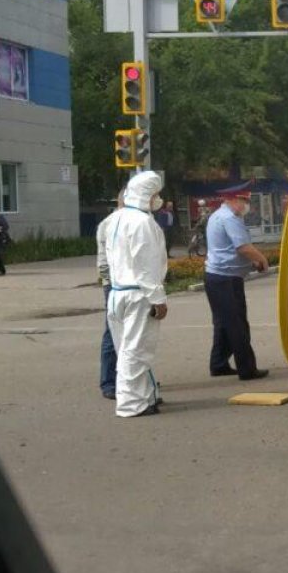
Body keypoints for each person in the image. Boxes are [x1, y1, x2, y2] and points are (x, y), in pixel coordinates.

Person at [105, 171, 169, 418]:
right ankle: (132, 404)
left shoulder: (117, 218)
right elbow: (146, 264)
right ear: (147, 195)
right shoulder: (143, 223)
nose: (158, 199)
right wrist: (158, 299)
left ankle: (144, 398)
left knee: (128, 350)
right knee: (136, 352)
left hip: (118, 292)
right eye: (156, 194)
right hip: (138, 295)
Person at [204, 191, 270, 380]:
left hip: (219, 277)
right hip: (225, 278)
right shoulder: (230, 218)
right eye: (244, 200)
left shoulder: (218, 215)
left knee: (223, 323)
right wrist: (261, 259)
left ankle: (218, 364)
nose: (246, 205)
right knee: (237, 325)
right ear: (232, 199)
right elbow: (243, 247)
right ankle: (247, 369)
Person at [95, 194, 123, 400]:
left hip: (127, 285)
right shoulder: (110, 223)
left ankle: (128, 377)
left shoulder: (135, 219)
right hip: (116, 285)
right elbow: (104, 263)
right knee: (112, 332)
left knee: (133, 334)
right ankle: (108, 382)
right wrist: (114, 282)